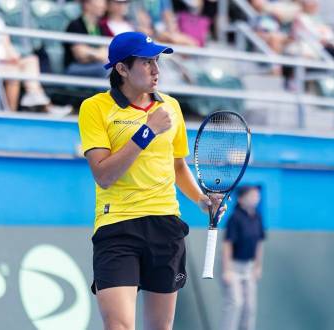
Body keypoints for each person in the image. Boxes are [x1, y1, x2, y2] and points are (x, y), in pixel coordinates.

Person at [78, 31, 223, 330]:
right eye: (146, 62)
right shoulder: (94, 108)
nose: (156, 70)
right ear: (122, 69)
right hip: (117, 227)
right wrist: (146, 132)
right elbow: (104, 175)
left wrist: (201, 200)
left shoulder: (171, 107)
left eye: (156, 61)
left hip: (165, 225)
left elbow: (178, 166)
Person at [220, 185, 266, 330]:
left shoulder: (257, 217)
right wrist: (227, 270)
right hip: (233, 267)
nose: (255, 198)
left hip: (249, 267)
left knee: (249, 306)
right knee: (235, 303)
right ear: (241, 199)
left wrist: (258, 267)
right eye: (252, 195)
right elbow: (227, 245)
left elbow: (259, 243)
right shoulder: (235, 218)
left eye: (257, 195)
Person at [63, 0, 108, 78]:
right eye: (99, 1)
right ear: (86, 4)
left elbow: (105, 54)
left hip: (95, 66)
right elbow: (80, 56)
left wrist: (90, 52)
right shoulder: (75, 25)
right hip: (74, 67)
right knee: (105, 69)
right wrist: (98, 54)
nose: (103, 5)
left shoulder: (100, 27)